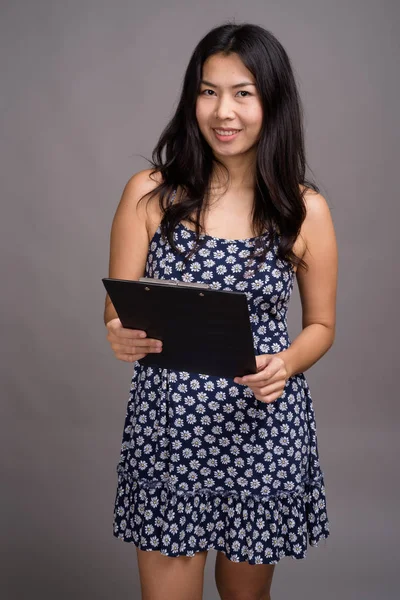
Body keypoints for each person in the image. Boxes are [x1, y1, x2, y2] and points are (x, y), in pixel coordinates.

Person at [103, 21, 337, 600]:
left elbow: (322, 326)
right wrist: (117, 332)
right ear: (192, 99)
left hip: (262, 428)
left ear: (272, 101)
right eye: (208, 91)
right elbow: (116, 307)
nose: (222, 111)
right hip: (170, 428)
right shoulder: (149, 192)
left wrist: (285, 363)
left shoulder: (304, 210)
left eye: (243, 92)